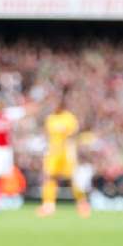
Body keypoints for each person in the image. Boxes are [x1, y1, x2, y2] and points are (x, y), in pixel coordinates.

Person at [37, 88, 90, 218]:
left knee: (73, 179)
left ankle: (82, 203)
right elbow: (47, 135)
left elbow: (74, 135)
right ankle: (48, 205)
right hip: (53, 153)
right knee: (49, 177)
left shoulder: (69, 118)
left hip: (66, 152)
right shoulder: (50, 119)